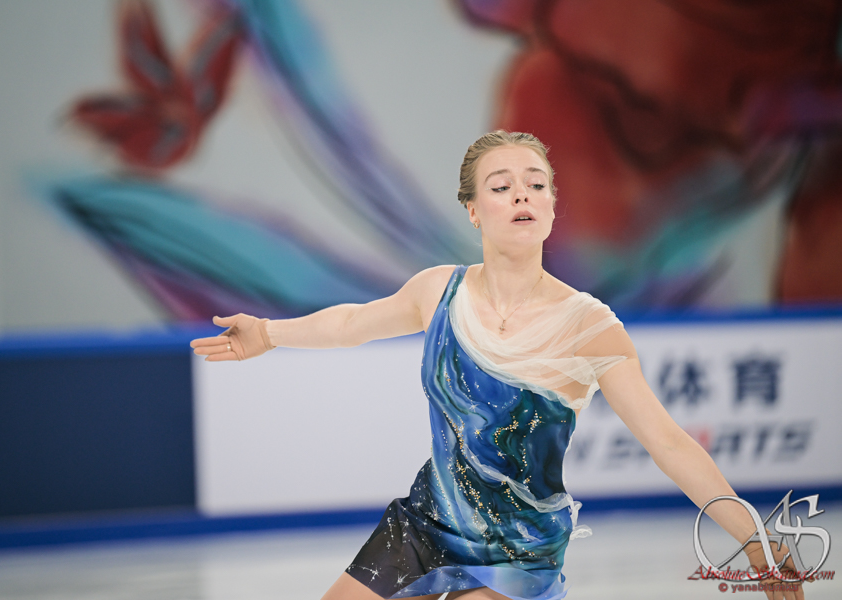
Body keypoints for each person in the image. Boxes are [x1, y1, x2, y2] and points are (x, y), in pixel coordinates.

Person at [191, 131, 803, 600]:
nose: (522, 195)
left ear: (553, 206)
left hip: (519, 547)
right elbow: (352, 324)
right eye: (502, 186)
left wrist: (752, 536)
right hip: (425, 522)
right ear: (473, 210)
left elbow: (667, 441)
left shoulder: (590, 326)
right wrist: (267, 333)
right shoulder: (439, 291)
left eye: (536, 184)